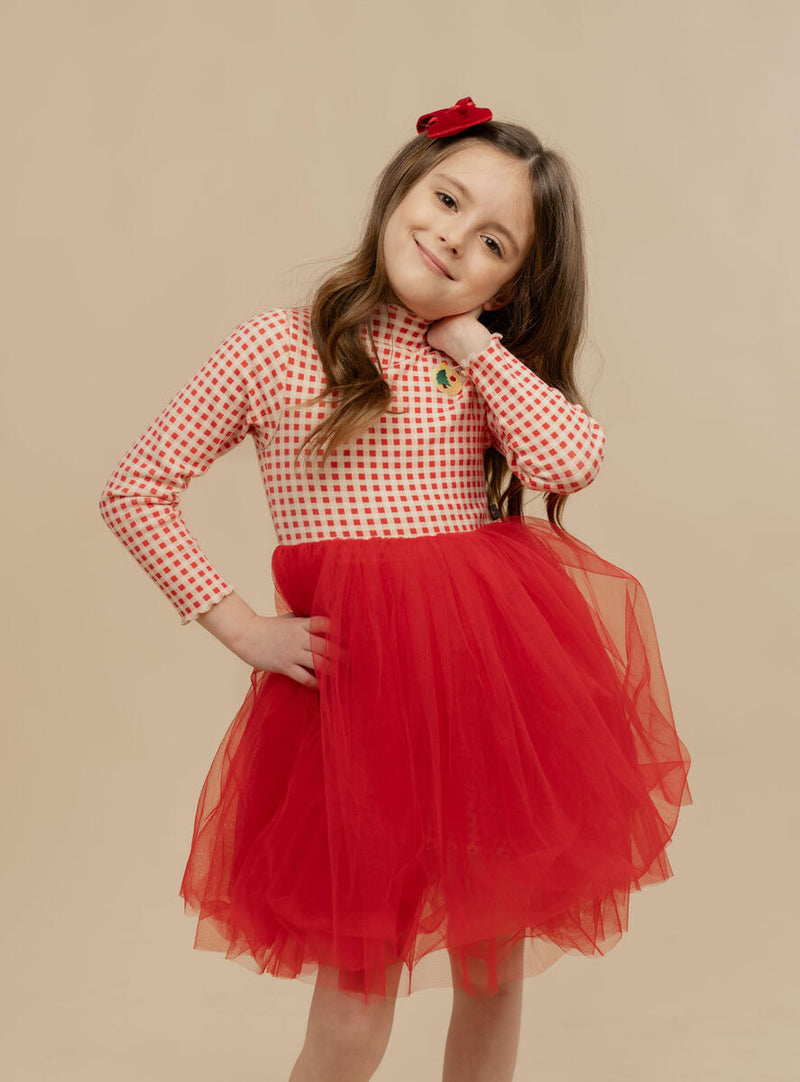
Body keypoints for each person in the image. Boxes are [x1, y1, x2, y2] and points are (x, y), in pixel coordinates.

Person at [98, 95, 692, 1082]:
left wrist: (470, 340)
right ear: (400, 187)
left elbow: (568, 455)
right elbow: (137, 488)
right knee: (350, 1008)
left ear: (509, 282)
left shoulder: (471, 365)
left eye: (492, 240)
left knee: (492, 972)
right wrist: (240, 624)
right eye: (445, 199)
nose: (453, 237)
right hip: (357, 709)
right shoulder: (276, 346)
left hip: (486, 694)